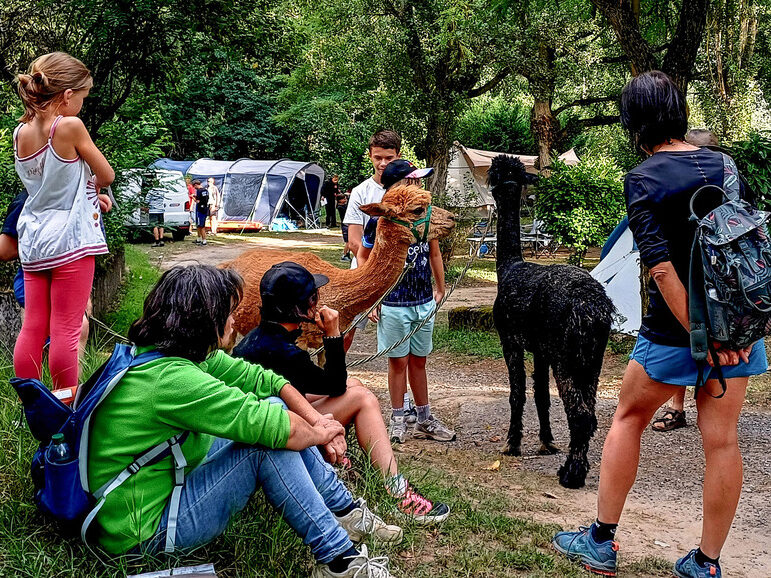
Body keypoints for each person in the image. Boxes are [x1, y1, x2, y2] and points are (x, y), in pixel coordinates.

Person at [552, 71, 767, 578]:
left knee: (628, 417)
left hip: (677, 329)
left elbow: (662, 266)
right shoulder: (724, 164)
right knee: (723, 441)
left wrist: (700, 334)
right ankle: (707, 564)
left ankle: (601, 541)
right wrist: (727, 334)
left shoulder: (644, 177)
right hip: (737, 328)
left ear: (633, 122)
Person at [87, 265, 401, 577]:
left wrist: (318, 421)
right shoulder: (173, 380)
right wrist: (323, 433)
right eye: (227, 312)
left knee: (275, 405)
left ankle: (346, 513)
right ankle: (341, 560)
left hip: (154, 489)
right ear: (204, 321)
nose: (235, 320)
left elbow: (265, 380)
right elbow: (282, 430)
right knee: (266, 445)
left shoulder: (172, 352)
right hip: (141, 532)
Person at [233, 262, 451, 525]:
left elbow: (319, 387)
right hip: (275, 434)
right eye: (314, 298)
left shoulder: (260, 338)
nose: (319, 302)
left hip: (273, 417)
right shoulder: (283, 352)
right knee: (362, 398)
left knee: (356, 385)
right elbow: (334, 385)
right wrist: (334, 334)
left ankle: (366, 469)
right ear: (301, 309)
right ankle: (397, 493)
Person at [12, 52, 114, 403]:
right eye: (83, 97)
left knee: (33, 325)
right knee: (67, 330)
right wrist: (95, 191)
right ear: (67, 95)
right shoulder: (69, 127)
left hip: (35, 238)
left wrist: (85, 194)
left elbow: (50, 185)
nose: (83, 105)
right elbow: (106, 174)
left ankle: (31, 403)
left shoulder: (21, 132)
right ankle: (64, 407)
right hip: (70, 241)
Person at [357, 160, 454, 444]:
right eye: (413, 180)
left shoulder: (423, 217)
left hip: (422, 301)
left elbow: (434, 253)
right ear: (397, 185)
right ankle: (398, 419)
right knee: (397, 362)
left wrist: (440, 286)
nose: (419, 185)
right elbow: (365, 257)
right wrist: (372, 297)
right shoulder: (380, 221)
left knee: (419, 361)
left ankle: (424, 418)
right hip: (394, 303)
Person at [650, 128, 720, 433]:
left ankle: (691, 410)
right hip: (687, 289)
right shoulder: (673, 188)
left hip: (708, 290)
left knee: (627, 415)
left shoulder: (725, 184)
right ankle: (678, 408)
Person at [1, 190, 91, 382]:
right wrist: (43, 241)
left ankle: (67, 395)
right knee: (43, 332)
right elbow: (5, 249)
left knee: (77, 328)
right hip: (37, 277)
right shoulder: (26, 199)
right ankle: (43, 397)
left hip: (71, 278)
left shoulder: (78, 196)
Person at [342, 130, 402, 350]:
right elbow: (354, 241)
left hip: (398, 273)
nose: (383, 163)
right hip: (363, 269)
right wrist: (371, 282)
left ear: (399, 155)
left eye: (389, 158)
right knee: (346, 330)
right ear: (370, 156)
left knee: (401, 343)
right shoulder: (361, 192)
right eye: (378, 157)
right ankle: (334, 375)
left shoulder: (408, 191)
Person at [192, 179, 209, 245]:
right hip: (205, 209)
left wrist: (193, 198)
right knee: (199, 225)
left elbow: (198, 201)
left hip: (199, 210)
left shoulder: (199, 191)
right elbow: (205, 199)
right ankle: (199, 238)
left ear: (196, 185)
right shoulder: (206, 190)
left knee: (201, 226)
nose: (194, 188)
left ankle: (204, 240)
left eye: (194, 187)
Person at [337, 187, 351, 260]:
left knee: (350, 241)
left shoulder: (344, 206)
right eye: (344, 199)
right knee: (348, 242)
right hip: (345, 225)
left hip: (347, 224)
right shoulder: (340, 207)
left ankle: (347, 254)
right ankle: (345, 255)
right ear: (340, 200)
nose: (345, 200)